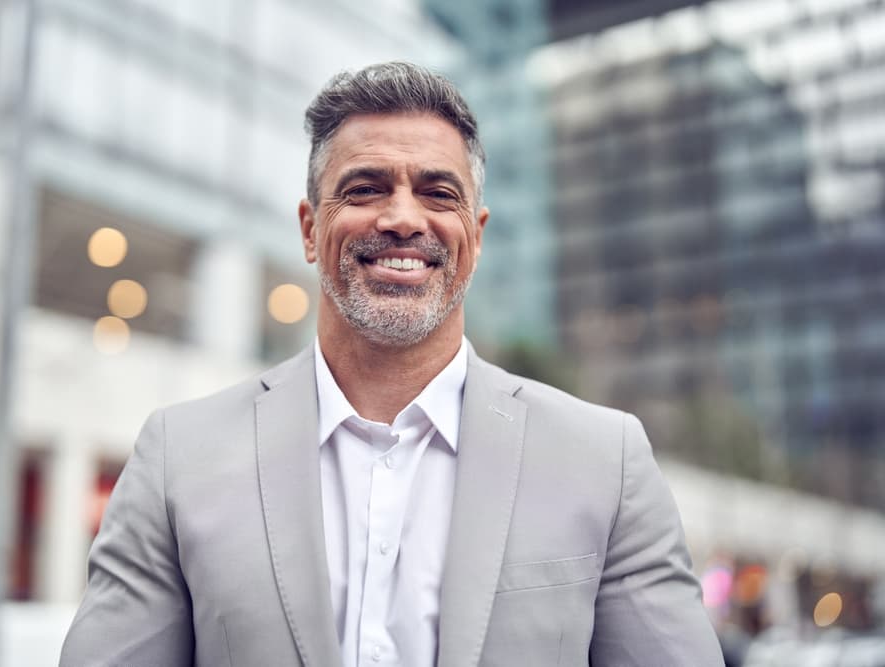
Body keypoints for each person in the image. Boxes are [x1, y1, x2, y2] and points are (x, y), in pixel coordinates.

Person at [60, 62, 723, 667]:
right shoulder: (179, 457)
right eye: (366, 188)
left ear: (477, 236)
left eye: (438, 193)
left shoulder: (607, 461)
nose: (404, 217)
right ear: (309, 230)